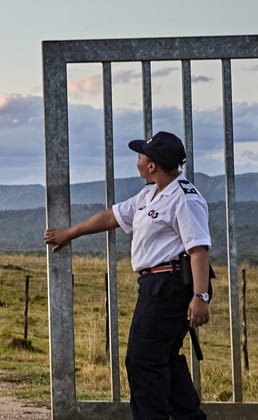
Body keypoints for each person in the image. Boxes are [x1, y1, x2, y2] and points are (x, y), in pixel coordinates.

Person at [44, 131, 210, 419]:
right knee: (163, 357)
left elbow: (198, 249)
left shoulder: (184, 198)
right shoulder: (150, 193)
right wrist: (71, 233)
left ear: (152, 165)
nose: (138, 160)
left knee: (142, 360)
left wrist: (200, 296)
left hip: (169, 284)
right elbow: (112, 216)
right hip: (154, 283)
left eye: (141, 156)